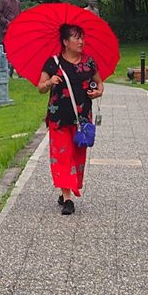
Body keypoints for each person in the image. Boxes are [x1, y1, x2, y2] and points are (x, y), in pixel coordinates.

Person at [37, 23, 103, 216]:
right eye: (76, 38)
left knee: (77, 157)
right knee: (62, 156)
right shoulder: (53, 63)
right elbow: (40, 87)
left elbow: (99, 83)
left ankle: (65, 188)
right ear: (65, 42)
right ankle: (67, 198)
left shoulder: (89, 63)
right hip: (58, 119)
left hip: (82, 119)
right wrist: (50, 82)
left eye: (82, 37)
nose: (81, 41)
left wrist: (97, 92)